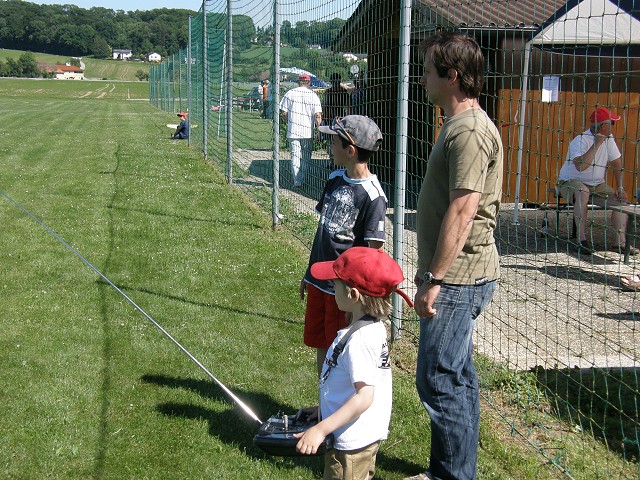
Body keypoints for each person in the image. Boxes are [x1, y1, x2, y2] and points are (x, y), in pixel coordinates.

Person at [408, 32, 503, 480]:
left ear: (452, 76)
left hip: (458, 279)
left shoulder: (469, 131)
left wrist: (433, 279)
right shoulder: (457, 124)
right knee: (456, 378)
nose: (421, 76)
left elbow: (464, 209)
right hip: (455, 277)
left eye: (428, 69)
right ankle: (454, 471)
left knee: (437, 379)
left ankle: (451, 475)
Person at [294, 247, 413, 480]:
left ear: (354, 295)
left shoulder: (360, 340)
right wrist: (324, 411)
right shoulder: (371, 327)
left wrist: (321, 429)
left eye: (335, 285)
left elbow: (364, 396)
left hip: (350, 445)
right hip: (357, 436)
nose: (332, 289)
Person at [302, 115, 387, 377]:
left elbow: (373, 255)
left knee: (341, 346)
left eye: (334, 142)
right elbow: (322, 232)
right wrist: (309, 273)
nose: (330, 146)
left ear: (350, 151)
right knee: (321, 343)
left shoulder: (373, 197)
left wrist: (363, 297)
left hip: (345, 291)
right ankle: (324, 399)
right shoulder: (335, 178)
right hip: (320, 281)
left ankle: (341, 404)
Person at [556, 107, 637, 255]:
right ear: (603, 126)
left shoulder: (610, 139)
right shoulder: (580, 140)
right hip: (569, 182)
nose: (614, 126)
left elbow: (617, 164)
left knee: (621, 201)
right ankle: (581, 240)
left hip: (597, 184)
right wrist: (597, 143)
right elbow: (580, 166)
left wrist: (620, 186)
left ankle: (620, 242)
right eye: (612, 123)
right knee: (583, 191)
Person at [279, 73, 322, 187]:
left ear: (298, 81)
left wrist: (288, 121)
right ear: (309, 82)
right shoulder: (313, 95)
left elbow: (284, 112)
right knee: (306, 157)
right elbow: (317, 115)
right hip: (307, 131)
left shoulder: (290, 93)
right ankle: (301, 177)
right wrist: (319, 130)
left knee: (295, 156)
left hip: (293, 129)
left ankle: (296, 180)